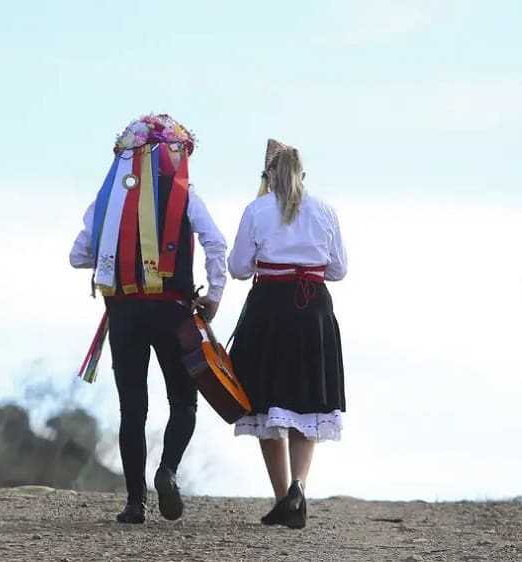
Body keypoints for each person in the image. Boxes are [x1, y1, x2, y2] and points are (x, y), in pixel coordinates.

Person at [69, 114, 227, 524]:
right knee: (183, 402)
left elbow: (77, 256)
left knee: (132, 409)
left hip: (124, 314)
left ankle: (134, 503)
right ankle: (167, 470)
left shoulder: (105, 201)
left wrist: (115, 259)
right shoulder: (186, 196)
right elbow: (215, 244)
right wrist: (214, 296)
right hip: (172, 312)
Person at [227, 138, 347, 529]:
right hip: (312, 309)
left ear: (268, 177)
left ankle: (283, 496)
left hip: (269, 311)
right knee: (305, 403)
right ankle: (298, 487)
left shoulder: (257, 210)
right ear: (302, 176)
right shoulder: (325, 211)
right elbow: (338, 269)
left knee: (267, 404)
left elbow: (239, 268)